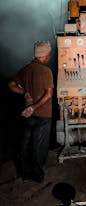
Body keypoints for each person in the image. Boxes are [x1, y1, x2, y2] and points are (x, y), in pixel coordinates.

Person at [8, 41, 54, 183]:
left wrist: (24, 92)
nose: (49, 56)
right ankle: (37, 175)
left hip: (28, 115)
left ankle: (24, 173)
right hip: (43, 114)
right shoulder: (46, 71)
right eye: (49, 53)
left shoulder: (26, 69)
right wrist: (34, 106)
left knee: (26, 143)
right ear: (45, 55)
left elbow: (11, 85)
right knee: (39, 146)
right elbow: (49, 95)